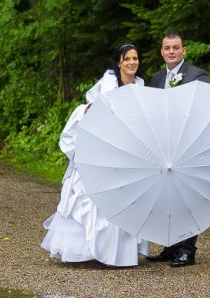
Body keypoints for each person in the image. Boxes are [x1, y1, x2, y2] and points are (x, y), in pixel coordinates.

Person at [41, 43, 149, 267]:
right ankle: (86, 251)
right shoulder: (107, 84)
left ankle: (117, 253)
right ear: (118, 62)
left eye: (135, 58)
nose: (132, 63)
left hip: (128, 152)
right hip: (103, 149)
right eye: (127, 59)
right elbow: (92, 111)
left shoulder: (141, 87)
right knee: (91, 199)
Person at [147, 32, 210, 267]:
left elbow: (202, 108)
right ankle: (170, 246)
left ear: (184, 50)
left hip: (187, 146)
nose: (171, 51)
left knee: (186, 198)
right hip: (163, 146)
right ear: (161, 52)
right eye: (167, 48)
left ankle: (187, 250)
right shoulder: (156, 78)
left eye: (176, 47)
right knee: (166, 197)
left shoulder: (198, 76)